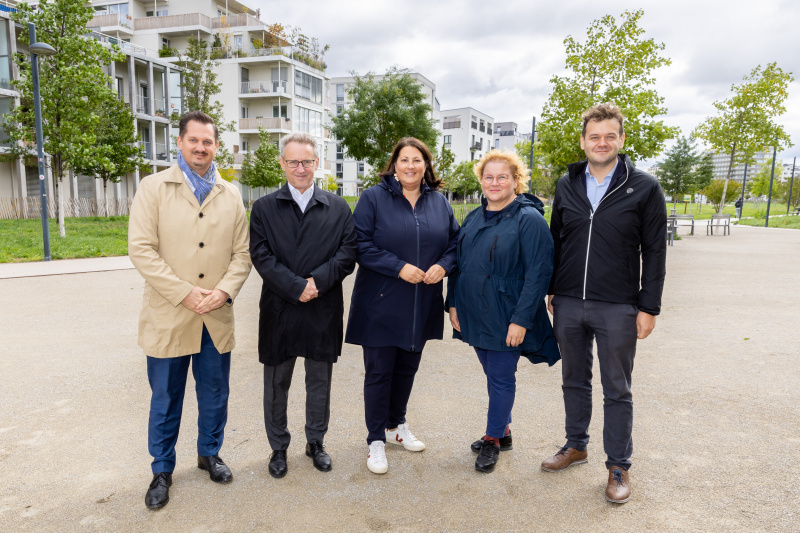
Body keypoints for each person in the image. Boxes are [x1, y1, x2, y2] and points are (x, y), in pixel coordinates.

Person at [541, 103, 667, 504]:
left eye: (609, 135)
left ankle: (618, 466)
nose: (601, 142)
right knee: (573, 379)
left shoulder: (644, 186)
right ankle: (576, 445)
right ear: (583, 141)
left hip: (618, 305)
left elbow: (655, 251)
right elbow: (554, 239)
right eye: (594, 136)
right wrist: (551, 288)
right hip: (568, 302)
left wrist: (649, 307)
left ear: (621, 139)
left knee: (617, 388)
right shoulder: (567, 184)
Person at [128, 110, 252, 510]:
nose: (201, 148)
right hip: (170, 314)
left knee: (215, 394)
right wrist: (184, 293)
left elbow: (242, 254)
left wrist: (223, 292)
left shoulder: (230, 194)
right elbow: (141, 250)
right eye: (194, 140)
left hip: (215, 314)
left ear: (216, 146)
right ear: (179, 142)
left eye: (208, 141)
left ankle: (209, 454)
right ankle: (162, 469)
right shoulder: (153, 188)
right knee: (166, 397)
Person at [346, 137, 459, 474]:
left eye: (417, 160)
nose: (410, 166)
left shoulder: (439, 202)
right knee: (379, 371)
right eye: (404, 160)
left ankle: (396, 426)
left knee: (407, 368)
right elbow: (359, 245)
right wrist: (399, 267)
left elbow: (456, 243)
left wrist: (444, 265)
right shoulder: (373, 198)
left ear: (426, 166)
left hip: (421, 302)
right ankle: (375, 440)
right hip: (380, 302)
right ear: (394, 165)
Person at [249, 132, 357, 479]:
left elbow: (347, 253)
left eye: (306, 161)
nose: (300, 168)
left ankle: (316, 441)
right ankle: (278, 447)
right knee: (276, 383)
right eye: (293, 161)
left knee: (319, 381)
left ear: (317, 164)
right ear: (282, 163)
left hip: (322, 309)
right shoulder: (264, 207)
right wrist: (296, 287)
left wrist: (317, 283)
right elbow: (261, 256)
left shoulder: (337, 207)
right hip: (280, 308)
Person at [446, 150, 560, 474]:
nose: (494, 183)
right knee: (493, 376)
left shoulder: (529, 220)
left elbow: (539, 273)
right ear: (481, 180)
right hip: (474, 312)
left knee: (500, 377)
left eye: (502, 177)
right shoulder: (473, 216)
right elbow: (458, 262)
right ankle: (504, 430)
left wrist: (521, 320)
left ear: (515, 181)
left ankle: (493, 438)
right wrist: (452, 302)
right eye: (488, 177)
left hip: (506, 314)